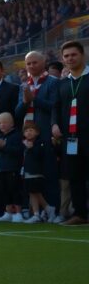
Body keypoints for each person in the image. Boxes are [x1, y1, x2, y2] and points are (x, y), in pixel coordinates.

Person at [14, 51, 58, 220]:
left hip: (46, 134)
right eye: (28, 64)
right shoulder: (24, 86)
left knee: (49, 173)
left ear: (43, 62)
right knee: (32, 176)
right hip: (28, 138)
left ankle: (54, 210)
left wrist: (34, 99)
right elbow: (17, 113)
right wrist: (25, 102)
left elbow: (54, 107)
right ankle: (37, 212)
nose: (31, 66)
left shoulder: (53, 83)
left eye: (34, 62)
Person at [51, 40, 89, 226]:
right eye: (66, 56)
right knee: (75, 176)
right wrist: (54, 125)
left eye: (73, 54)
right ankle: (80, 214)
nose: (70, 58)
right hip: (70, 138)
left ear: (82, 55)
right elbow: (56, 108)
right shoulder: (62, 84)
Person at [0, 113, 24, 222]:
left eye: (4, 122)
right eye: (0, 122)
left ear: (12, 123)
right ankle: (8, 212)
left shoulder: (16, 135)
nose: (2, 125)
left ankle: (18, 213)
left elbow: (18, 151)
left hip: (13, 168)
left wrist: (4, 146)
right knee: (4, 190)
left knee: (14, 190)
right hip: (1, 168)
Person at [21, 123, 48, 223]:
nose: (28, 132)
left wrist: (31, 148)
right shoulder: (24, 144)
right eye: (26, 131)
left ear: (37, 132)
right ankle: (39, 213)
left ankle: (45, 210)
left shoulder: (40, 143)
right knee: (32, 192)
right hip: (27, 172)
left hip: (36, 173)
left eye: (31, 130)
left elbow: (39, 156)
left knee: (35, 192)